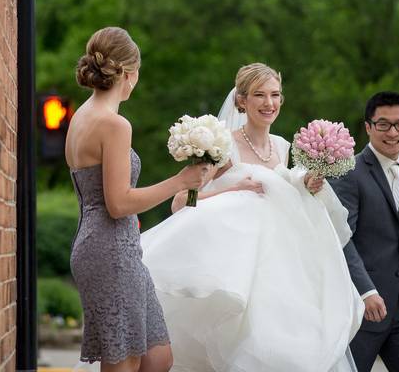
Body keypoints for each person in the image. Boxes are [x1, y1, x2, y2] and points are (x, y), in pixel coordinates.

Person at [139, 63, 363, 372]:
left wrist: (307, 187)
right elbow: (181, 201)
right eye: (259, 95)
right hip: (235, 267)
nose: (268, 103)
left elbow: (285, 200)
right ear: (241, 101)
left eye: (274, 95)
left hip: (278, 270)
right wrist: (233, 190)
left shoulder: (284, 147)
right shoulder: (223, 146)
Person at [66, 27, 206, 372]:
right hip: (109, 249)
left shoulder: (81, 115)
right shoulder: (113, 124)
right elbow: (118, 203)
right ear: (129, 73)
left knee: (158, 357)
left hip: (115, 247)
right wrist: (180, 180)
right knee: (124, 363)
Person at [331, 91, 399, 372]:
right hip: (363, 307)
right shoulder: (349, 172)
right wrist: (366, 291)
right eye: (383, 124)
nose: (393, 132)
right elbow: (342, 238)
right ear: (368, 127)